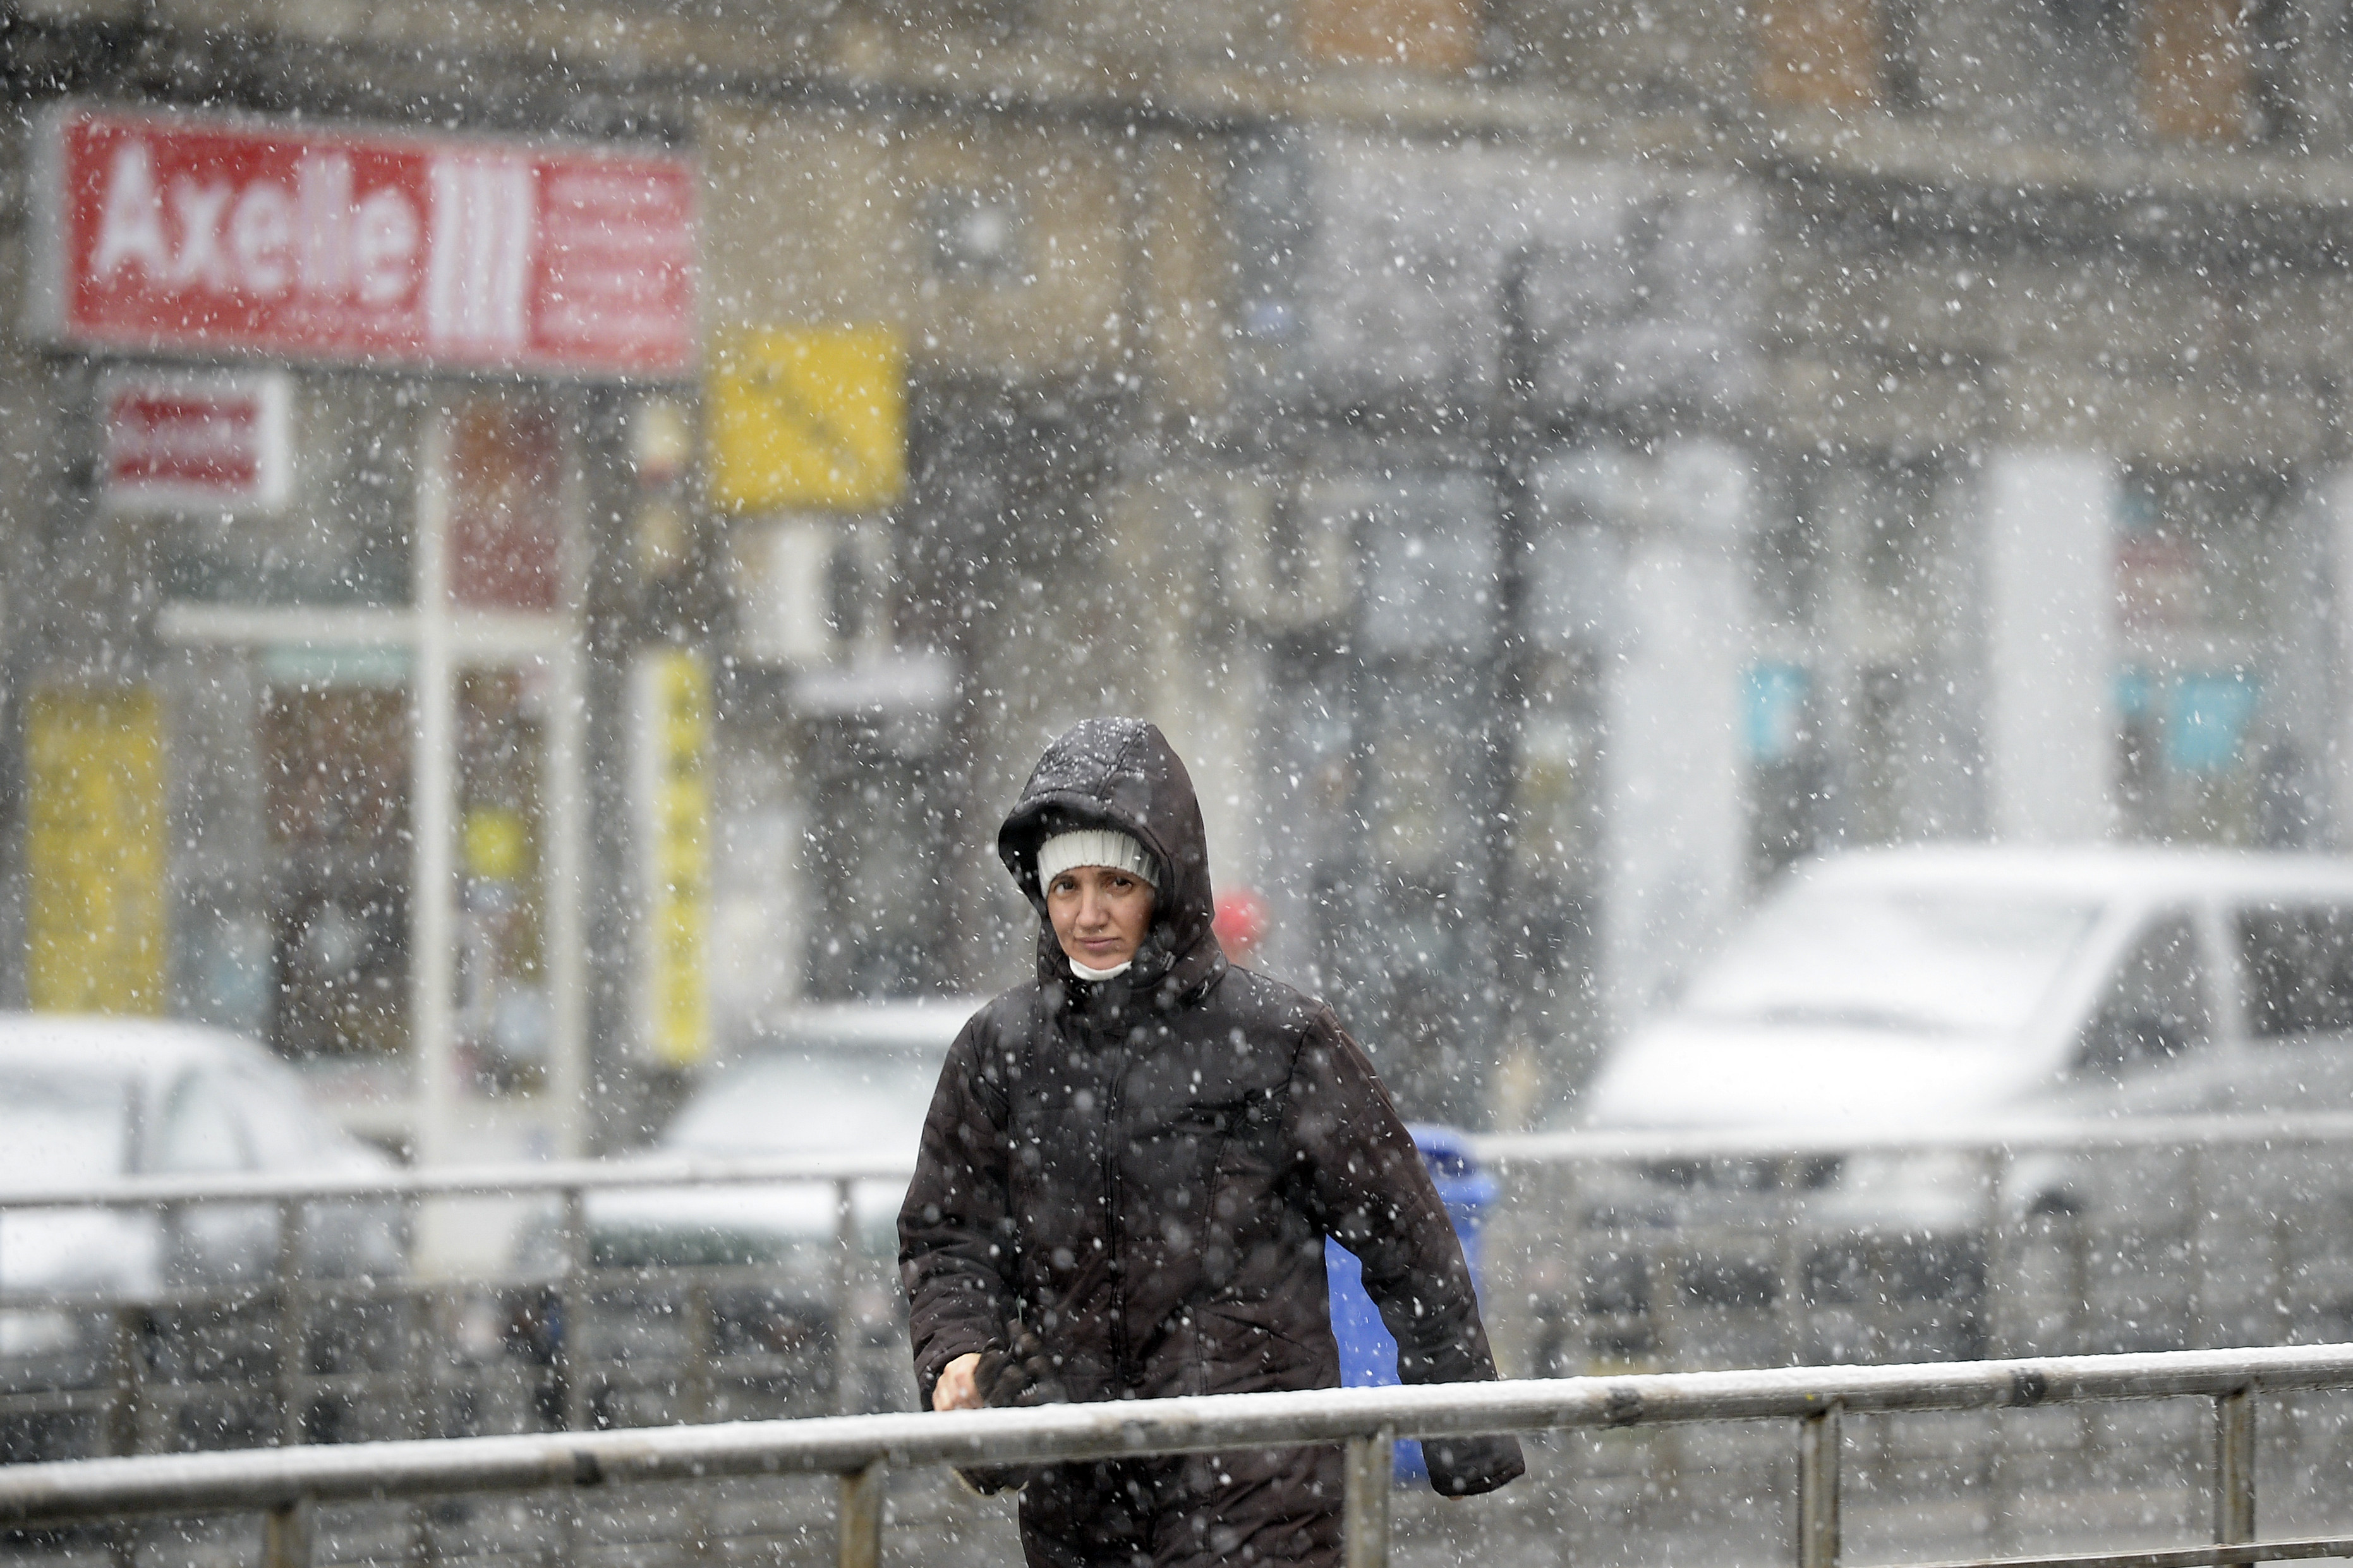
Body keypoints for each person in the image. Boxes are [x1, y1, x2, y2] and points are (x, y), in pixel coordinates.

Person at [899, 718, 1523, 1568]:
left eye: (1116, 882)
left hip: (1260, 1482)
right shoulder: (1001, 1050)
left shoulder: (1278, 1039)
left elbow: (1403, 1230)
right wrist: (960, 1365)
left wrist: (1463, 1429)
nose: (1088, 914)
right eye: (1066, 884)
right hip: (1081, 1490)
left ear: (1167, 884)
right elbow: (949, 1236)